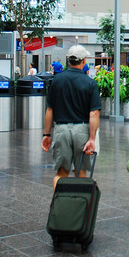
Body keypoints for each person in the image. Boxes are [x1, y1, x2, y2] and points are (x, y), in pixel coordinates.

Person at [41, 45, 101, 188]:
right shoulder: (90, 83)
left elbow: (50, 109)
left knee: (61, 173)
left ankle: (59, 206)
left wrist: (46, 134)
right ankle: (78, 208)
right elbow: (94, 113)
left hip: (61, 130)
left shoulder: (57, 80)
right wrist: (92, 138)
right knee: (80, 172)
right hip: (82, 130)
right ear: (83, 61)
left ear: (68, 60)